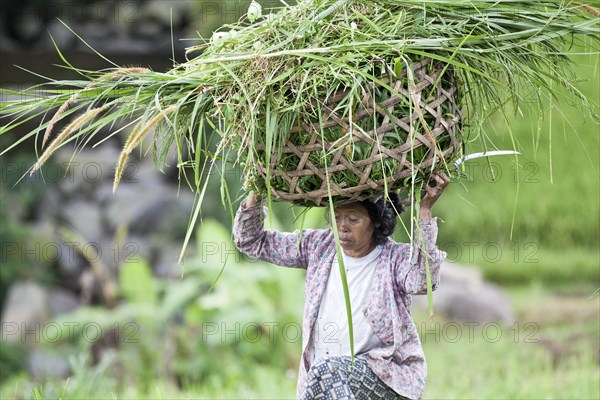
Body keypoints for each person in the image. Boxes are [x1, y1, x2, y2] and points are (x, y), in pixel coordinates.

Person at [233, 171, 450, 400]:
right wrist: (256, 190)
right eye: (336, 217)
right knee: (324, 372)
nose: (342, 227)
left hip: (385, 376)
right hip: (324, 378)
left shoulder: (394, 259)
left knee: (327, 370)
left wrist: (425, 210)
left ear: (376, 221)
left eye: (353, 219)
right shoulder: (318, 246)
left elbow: (422, 280)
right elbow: (251, 241)